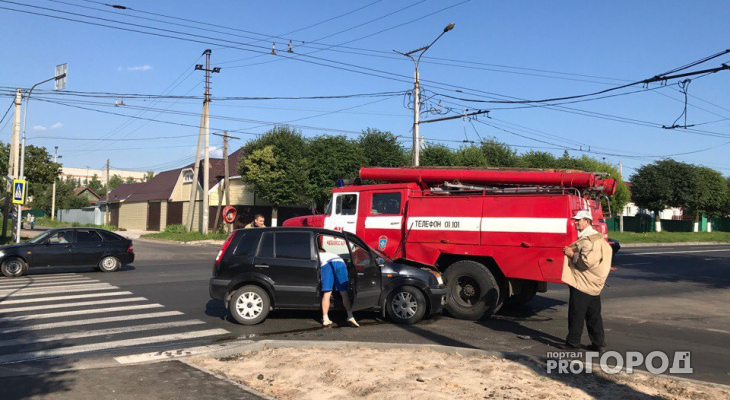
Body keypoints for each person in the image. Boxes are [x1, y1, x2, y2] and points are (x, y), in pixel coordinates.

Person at [561, 210, 613, 352]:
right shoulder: (597, 237)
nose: (576, 222)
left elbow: (587, 262)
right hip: (593, 283)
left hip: (583, 282)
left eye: (579, 220)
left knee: (576, 314)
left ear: (587, 221)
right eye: (576, 220)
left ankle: (573, 343)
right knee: (594, 315)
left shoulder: (588, 239)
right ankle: (598, 343)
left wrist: (571, 254)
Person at [318, 238, 359, 327]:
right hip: (340, 263)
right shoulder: (333, 254)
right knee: (344, 293)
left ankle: (325, 319)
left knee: (327, 293)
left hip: (327, 264)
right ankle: (350, 316)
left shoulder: (319, 255)